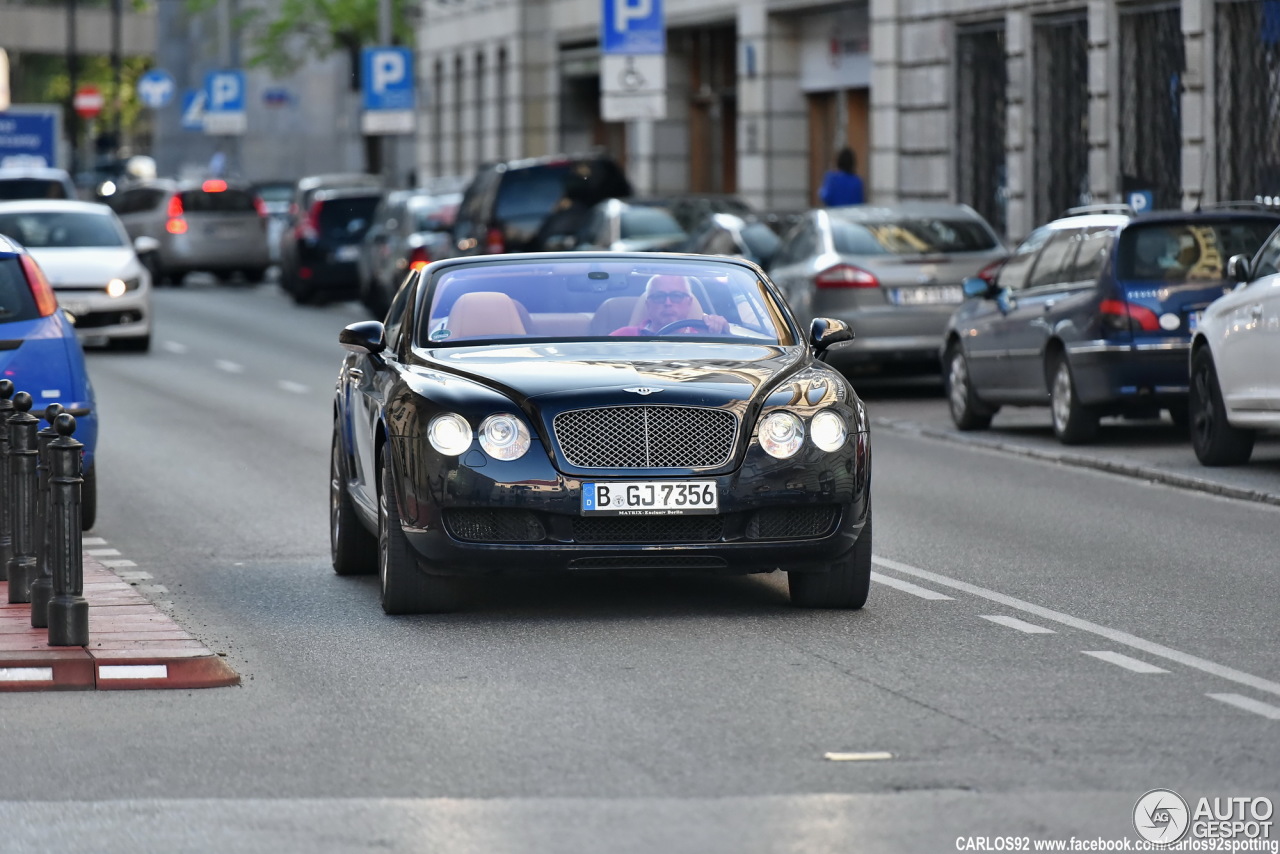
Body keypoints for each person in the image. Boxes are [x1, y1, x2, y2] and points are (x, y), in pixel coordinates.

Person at [611, 274, 729, 336]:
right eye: (659, 296)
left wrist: (724, 333)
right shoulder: (624, 336)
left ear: (689, 303)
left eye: (676, 296)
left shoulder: (705, 336)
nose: (668, 303)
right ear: (648, 305)